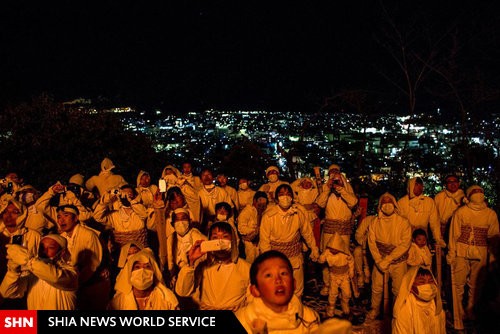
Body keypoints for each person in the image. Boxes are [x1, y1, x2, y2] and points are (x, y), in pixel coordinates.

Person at [235, 250, 324, 333]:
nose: (278, 280)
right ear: (255, 290)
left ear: (293, 284)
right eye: (268, 275)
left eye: (283, 273)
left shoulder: (309, 318)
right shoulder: (243, 320)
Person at [447, 185, 499, 320]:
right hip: (461, 250)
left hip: (481, 251)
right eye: (475, 191)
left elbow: (494, 237)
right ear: (469, 195)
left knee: (477, 283)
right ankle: (458, 312)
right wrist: (452, 252)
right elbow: (454, 234)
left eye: (480, 191)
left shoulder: (490, 214)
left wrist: (493, 256)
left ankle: (471, 309)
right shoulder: (461, 212)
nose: (478, 193)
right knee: (458, 283)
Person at [259, 184, 319, 297]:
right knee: (278, 288)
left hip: (295, 257)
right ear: (276, 199)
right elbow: (264, 240)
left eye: (288, 194)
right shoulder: (268, 216)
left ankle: (296, 312)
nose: (285, 197)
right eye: (281, 194)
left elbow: (307, 233)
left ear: (292, 198)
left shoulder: (298, 213)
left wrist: (314, 248)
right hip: (276, 259)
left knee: (297, 289)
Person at [175, 222, 251, 311]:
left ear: (233, 240)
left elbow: (252, 300)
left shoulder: (246, 268)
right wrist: (191, 261)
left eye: (225, 236)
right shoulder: (203, 266)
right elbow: (183, 292)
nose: (219, 241)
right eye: (215, 237)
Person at [0, 234, 78, 310]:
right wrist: (13, 271)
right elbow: (7, 292)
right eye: (41, 247)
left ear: (62, 253)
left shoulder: (71, 271)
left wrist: (28, 260)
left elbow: (54, 277)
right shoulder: (32, 273)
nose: (44, 251)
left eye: (50, 248)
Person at [366, 192, 411, 320]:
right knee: (376, 287)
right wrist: (379, 260)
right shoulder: (375, 222)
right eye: (384, 202)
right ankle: (375, 309)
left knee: (398, 289)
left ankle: (397, 312)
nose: (387, 205)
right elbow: (372, 243)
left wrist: (389, 259)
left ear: (394, 204)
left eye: (389, 202)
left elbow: (405, 244)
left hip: (398, 262)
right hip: (379, 261)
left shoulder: (403, 222)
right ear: (380, 205)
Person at [56, 204, 109, 310]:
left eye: (65, 216)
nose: (61, 220)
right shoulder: (61, 238)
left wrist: (74, 283)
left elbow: (92, 265)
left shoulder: (88, 235)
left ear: (76, 218)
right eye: (59, 217)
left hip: (92, 286)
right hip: (75, 285)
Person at [314, 167, 358, 296]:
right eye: (331, 172)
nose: (334, 174)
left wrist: (341, 189)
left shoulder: (347, 188)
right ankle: (327, 285)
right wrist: (328, 188)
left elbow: (353, 202)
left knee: (344, 257)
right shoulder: (326, 190)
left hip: (343, 231)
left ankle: (344, 285)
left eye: (336, 171)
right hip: (329, 229)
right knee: (327, 256)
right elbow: (320, 203)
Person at [109, 249, 179, 310]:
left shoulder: (167, 301)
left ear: (154, 273)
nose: (142, 271)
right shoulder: (118, 303)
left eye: (147, 267)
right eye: (137, 267)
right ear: (130, 273)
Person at [93, 185, 150, 249]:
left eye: (129, 194)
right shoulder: (115, 215)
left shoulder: (139, 212)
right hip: (122, 252)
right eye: (123, 194)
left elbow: (145, 215)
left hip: (140, 250)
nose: (125, 196)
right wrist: (106, 200)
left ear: (134, 196)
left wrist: (131, 201)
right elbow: (97, 217)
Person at [0, 195, 41, 284]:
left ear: (22, 215)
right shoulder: (1, 234)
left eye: (14, 212)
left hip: (25, 282)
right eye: (6, 211)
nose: (8, 215)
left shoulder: (33, 235)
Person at [392, 266, 446, 334]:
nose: (428, 285)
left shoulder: (439, 311)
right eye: (422, 282)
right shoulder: (403, 313)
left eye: (431, 281)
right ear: (411, 286)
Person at [397, 177, 446, 248]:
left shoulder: (429, 202)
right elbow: (398, 223)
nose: (419, 187)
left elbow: (435, 223)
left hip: (423, 239)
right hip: (406, 238)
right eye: (416, 184)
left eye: (421, 185)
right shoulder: (401, 203)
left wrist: (437, 239)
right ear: (411, 186)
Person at [318, 232, 354, 317]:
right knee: (332, 293)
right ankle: (331, 308)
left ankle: (345, 303)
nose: (333, 250)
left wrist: (351, 271)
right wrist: (322, 258)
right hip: (333, 276)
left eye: (335, 248)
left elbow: (351, 261)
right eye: (331, 248)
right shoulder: (327, 252)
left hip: (344, 276)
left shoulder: (345, 253)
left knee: (347, 292)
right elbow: (321, 260)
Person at [197, 168, 233, 233]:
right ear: (200, 180)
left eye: (208, 174)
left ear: (213, 178)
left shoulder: (222, 192)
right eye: (204, 175)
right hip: (204, 225)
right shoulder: (198, 194)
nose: (206, 177)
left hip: (222, 223)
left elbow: (230, 208)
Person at [238, 191, 269, 264]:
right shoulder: (247, 211)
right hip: (249, 242)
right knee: (250, 261)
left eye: (264, 203)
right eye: (260, 201)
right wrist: (254, 231)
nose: (261, 205)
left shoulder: (264, 211)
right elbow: (241, 227)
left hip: (260, 240)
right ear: (254, 200)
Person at [434, 174, 464, 242]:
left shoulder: (464, 198)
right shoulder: (439, 197)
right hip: (442, 229)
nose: (453, 184)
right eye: (450, 182)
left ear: (458, 184)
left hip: (458, 229)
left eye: (455, 181)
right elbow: (434, 214)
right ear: (445, 185)